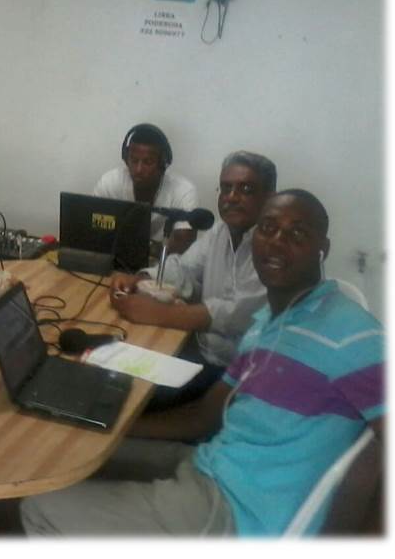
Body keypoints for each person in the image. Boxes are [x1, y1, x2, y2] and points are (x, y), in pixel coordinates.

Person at [21, 189, 384, 536]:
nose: (277, 241)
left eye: (297, 233)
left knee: (39, 509)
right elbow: (204, 417)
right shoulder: (266, 323)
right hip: (209, 462)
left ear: (323, 249)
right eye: (268, 229)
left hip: (240, 512)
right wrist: (110, 425)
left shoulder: (354, 334)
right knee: (71, 452)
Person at [109, 151, 275, 409]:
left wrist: (156, 313)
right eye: (226, 188)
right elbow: (183, 268)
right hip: (200, 350)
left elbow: (235, 314)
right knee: (116, 368)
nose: (232, 197)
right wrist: (139, 278)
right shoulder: (220, 231)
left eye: (246, 189)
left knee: (132, 395)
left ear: (269, 197)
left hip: (237, 374)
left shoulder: (274, 247)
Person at [93, 123, 199, 255]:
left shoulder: (184, 191)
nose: (138, 169)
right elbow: (93, 226)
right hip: (115, 259)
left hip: (164, 263)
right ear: (126, 159)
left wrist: (140, 249)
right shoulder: (110, 182)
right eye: (134, 160)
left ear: (163, 164)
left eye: (147, 162)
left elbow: (184, 242)